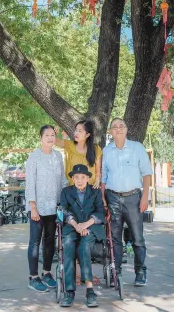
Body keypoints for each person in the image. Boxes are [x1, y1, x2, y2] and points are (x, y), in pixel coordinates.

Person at [101, 118, 153, 286]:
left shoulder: (137, 148)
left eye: (121, 126)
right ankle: (117, 273)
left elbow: (146, 174)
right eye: (114, 127)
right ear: (110, 131)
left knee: (137, 237)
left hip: (133, 198)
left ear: (126, 129)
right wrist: (103, 199)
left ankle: (140, 271)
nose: (118, 129)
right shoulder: (106, 151)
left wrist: (145, 197)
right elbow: (103, 178)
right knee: (115, 238)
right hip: (113, 197)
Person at [55, 120, 102, 285]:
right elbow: (53, 140)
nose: (76, 132)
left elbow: (97, 172)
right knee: (70, 238)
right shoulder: (69, 145)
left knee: (84, 240)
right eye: (76, 129)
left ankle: (85, 277)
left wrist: (97, 183)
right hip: (71, 195)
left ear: (88, 134)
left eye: (80, 130)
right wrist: (52, 131)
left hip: (89, 195)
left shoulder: (95, 150)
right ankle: (73, 277)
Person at [25, 125, 68, 293]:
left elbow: (63, 181)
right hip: (37, 206)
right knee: (35, 241)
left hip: (54, 206)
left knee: (50, 240)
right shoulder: (34, 157)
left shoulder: (58, 156)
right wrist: (33, 207)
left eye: (52, 135)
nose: (50, 138)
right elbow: (29, 185)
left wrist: (65, 202)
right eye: (47, 135)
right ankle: (33, 277)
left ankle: (47, 273)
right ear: (40, 138)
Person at [60, 164, 105, 308]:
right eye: (76, 177)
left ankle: (90, 290)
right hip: (72, 227)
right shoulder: (66, 192)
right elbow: (63, 210)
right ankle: (69, 291)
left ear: (88, 178)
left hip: (90, 227)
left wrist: (85, 225)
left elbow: (100, 213)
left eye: (83, 177)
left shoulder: (95, 192)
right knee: (68, 244)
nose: (80, 180)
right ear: (72, 179)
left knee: (85, 244)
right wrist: (76, 225)